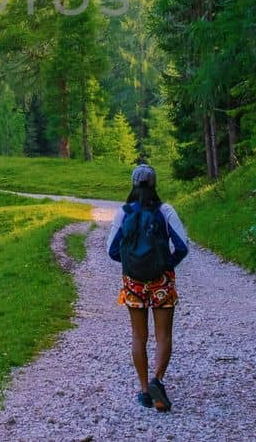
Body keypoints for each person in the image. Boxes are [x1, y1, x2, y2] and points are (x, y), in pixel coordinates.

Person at [107, 162, 189, 412]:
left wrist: (132, 265)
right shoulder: (165, 210)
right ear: (154, 184)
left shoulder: (123, 212)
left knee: (138, 336)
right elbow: (183, 246)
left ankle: (144, 390)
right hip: (161, 281)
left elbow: (111, 250)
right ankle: (158, 380)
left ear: (133, 184)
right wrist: (165, 265)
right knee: (163, 335)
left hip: (133, 283)